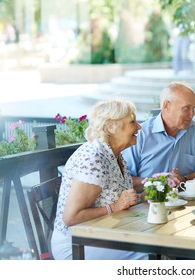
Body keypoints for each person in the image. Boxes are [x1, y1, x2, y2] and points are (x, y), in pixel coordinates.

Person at [51, 99, 148, 260]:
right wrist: (115, 207)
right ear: (111, 126)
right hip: (76, 245)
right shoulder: (93, 157)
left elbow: (113, 195)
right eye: (132, 122)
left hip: (105, 234)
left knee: (159, 250)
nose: (139, 126)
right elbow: (71, 218)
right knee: (150, 256)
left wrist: (141, 197)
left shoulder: (114, 155)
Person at [122, 82, 195, 191]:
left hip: (185, 202)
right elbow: (124, 180)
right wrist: (159, 181)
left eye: (194, 108)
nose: (192, 114)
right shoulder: (140, 135)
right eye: (186, 108)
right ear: (167, 106)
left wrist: (183, 179)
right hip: (147, 204)